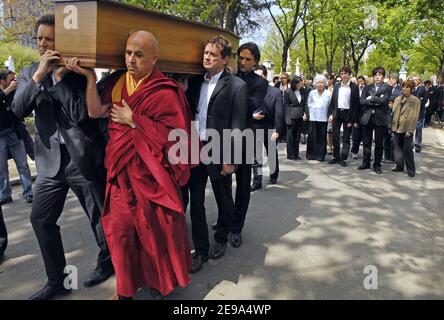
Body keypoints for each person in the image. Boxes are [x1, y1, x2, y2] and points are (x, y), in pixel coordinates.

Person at [66, 30, 194, 299]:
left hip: (151, 176)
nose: (132, 59)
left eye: (139, 54)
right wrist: (90, 77)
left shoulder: (164, 91)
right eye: (128, 53)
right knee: (122, 233)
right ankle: (126, 288)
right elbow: (94, 112)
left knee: (154, 234)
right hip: (121, 173)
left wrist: (134, 119)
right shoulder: (116, 82)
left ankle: (159, 284)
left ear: (154, 58)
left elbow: (176, 136)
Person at [12, 14, 113, 300]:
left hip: (82, 158)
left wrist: (58, 77)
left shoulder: (77, 71)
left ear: (62, 42)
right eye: (39, 39)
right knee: (40, 220)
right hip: (48, 163)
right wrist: (39, 76)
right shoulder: (29, 72)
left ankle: (107, 263)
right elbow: (18, 111)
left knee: (99, 217)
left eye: (49, 39)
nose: (43, 44)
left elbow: (81, 115)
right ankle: (57, 281)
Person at [187, 36, 248, 271]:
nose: (207, 57)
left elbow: (237, 126)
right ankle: (201, 249)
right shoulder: (194, 83)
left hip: (219, 149)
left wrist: (230, 159)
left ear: (225, 60)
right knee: (197, 200)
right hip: (194, 147)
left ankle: (221, 237)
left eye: (213, 54)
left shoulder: (236, 86)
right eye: (205, 53)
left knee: (223, 197)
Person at [1, 71, 33, 206]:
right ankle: (5, 194)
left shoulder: (15, 92)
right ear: (2, 81)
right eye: (11, 79)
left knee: (22, 164)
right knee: (1, 167)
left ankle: (29, 193)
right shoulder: (6, 92)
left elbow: (22, 107)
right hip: (0, 135)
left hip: (14, 133)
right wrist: (7, 91)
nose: (14, 81)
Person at [252, 64, 284, 187]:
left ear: (265, 76)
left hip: (270, 128)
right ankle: (257, 180)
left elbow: (279, 114)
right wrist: (252, 116)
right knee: (256, 155)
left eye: (259, 76)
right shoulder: (251, 91)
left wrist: (277, 131)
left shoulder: (275, 92)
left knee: (271, 153)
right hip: (255, 128)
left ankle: (274, 174)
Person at [358, 66, 392, 174]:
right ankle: (366, 162)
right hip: (368, 117)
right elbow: (362, 101)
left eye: (380, 75)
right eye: (375, 75)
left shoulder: (387, 87)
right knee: (366, 142)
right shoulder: (368, 87)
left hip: (380, 118)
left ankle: (377, 165)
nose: (377, 77)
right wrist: (375, 101)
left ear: (383, 76)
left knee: (378, 143)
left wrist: (371, 98)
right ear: (373, 77)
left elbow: (384, 101)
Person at [328, 66, 360, 167]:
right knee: (336, 137)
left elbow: (356, 104)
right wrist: (331, 114)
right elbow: (333, 101)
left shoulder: (354, 87)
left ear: (349, 74)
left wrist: (353, 119)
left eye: (345, 73)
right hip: (337, 113)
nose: (343, 75)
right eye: (341, 73)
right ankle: (336, 156)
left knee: (346, 138)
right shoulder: (337, 86)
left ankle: (343, 158)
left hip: (348, 114)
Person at [391, 80, 420, 177]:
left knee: (407, 150)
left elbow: (415, 117)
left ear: (411, 89)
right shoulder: (398, 98)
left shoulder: (415, 100)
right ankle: (399, 166)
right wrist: (391, 126)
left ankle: (411, 170)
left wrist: (410, 130)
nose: (405, 89)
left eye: (407, 87)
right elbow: (394, 113)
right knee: (397, 149)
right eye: (403, 87)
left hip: (407, 128)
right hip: (396, 127)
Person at [305, 75, 330, 161]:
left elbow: (330, 105)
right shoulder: (312, 93)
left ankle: (320, 155)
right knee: (312, 137)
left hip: (323, 117)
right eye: (318, 82)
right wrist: (308, 114)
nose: (320, 84)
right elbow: (308, 103)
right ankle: (311, 154)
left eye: (322, 82)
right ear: (315, 83)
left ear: (325, 84)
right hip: (313, 117)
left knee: (322, 137)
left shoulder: (328, 93)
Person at [284, 76, 307, 161]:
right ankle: (290, 154)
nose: (300, 85)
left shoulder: (303, 91)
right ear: (294, 84)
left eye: (301, 83)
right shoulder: (288, 92)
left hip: (300, 116)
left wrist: (306, 113)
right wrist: (287, 119)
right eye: (298, 84)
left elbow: (304, 103)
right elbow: (286, 106)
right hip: (291, 116)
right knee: (290, 136)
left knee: (297, 136)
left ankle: (296, 153)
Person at [383, 73, 403, 163]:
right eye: (390, 78)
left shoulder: (399, 89)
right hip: (384, 114)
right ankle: (386, 156)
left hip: (393, 115)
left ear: (396, 80)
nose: (391, 80)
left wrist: (390, 101)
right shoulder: (386, 87)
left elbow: (397, 99)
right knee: (385, 137)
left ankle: (392, 157)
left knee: (392, 137)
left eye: (393, 78)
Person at [351, 75, 366, 159]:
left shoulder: (367, 89)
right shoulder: (355, 89)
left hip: (365, 114)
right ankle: (354, 151)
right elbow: (353, 105)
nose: (360, 83)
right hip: (357, 115)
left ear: (364, 81)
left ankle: (367, 153)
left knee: (366, 137)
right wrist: (355, 120)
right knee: (356, 136)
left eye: (361, 81)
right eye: (358, 81)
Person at [411, 76, 428, 153]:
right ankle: (410, 143)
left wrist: (417, 105)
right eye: (413, 80)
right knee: (410, 128)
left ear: (419, 81)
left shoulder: (422, 89)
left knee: (418, 128)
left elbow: (424, 100)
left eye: (415, 80)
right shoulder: (410, 89)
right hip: (410, 111)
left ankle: (417, 144)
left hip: (419, 111)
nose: (414, 81)